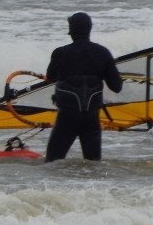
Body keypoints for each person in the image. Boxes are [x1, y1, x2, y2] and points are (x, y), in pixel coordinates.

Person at [45, 12, 123, 162]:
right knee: (93, 165)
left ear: (71, 30)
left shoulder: (60, 53)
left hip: (66, 118)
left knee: (52, 163)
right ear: (89, 29)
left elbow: (50, 78)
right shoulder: (103, 53)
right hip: (91, 119)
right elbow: (117, 87)